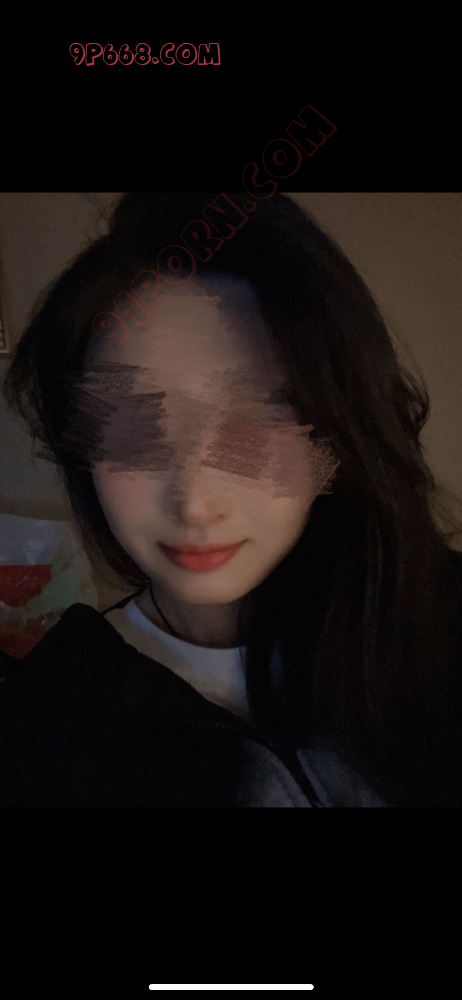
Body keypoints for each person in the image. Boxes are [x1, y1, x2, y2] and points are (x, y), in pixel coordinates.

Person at [1, 191, 462, 807]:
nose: (195, 504)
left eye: (256, 420)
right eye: (131, 425)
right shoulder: (45, 727)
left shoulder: (441, 624)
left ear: (339, 431)